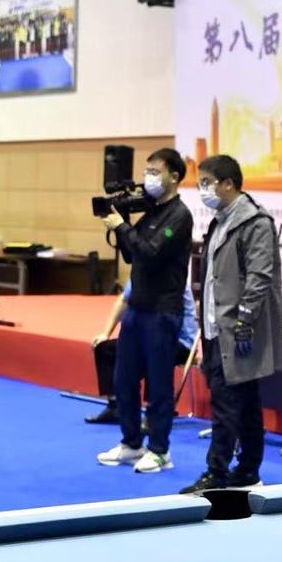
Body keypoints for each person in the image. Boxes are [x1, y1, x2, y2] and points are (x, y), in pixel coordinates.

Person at [185, 154, 282, 493]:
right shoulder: (219, 222)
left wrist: (245, 319)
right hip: (216, 328)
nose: (203, 189)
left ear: (228, 184)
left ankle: (217, 472)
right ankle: (247, 470)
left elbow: (259, 276)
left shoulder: (255, 222)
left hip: (238, 329)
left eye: (207, 182)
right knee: (244, 402)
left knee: (226, 405)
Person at [96, 149, 194, 475]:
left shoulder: (179, 216)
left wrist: (122, 227)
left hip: (162, 311)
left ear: (174, 177)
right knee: (123, 381)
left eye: (155, 171)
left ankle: (160, 450)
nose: (148, 177)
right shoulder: (150, 212)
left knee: (158, 384)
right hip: (137, 309)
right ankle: (131, 443)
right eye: (147, 171)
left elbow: (151, 254)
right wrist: (121, 226)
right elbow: (132, 255)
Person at [87, 281, 199, 424]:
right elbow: (123, 300)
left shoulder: (173, 278)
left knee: (154, 349)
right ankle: (116, 406)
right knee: (105, 348)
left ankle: (156, 411)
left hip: (181, 342)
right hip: (150, 336)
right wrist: (105, 333)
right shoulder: (141, 274)